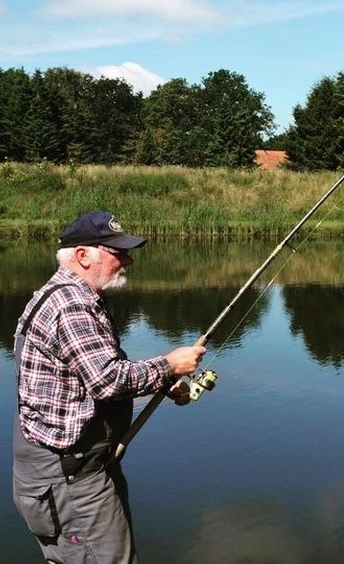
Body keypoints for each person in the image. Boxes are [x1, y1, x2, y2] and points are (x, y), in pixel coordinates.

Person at [12, 210, 205, 564]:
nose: (128, 260)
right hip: (71, 481)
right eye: (118, 252)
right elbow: (107, 380)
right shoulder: (72, 305)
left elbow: (91, 373)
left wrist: (162, 382)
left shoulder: (63, 295)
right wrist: (169, 365)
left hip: (71, 472)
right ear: (83, 255)